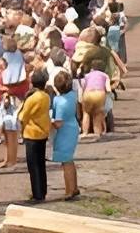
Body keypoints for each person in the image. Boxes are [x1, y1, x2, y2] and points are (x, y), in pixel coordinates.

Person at [18, 70, 51, 203]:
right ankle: (42, 190)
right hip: (42, 132)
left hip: (31, 133)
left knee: (33, 165)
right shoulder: (46, 96)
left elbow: (22, 116)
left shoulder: (32, 98)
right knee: (41, 164)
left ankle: (37, 193)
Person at [50, 70, 80, 200]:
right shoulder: (73, 95)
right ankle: (74, 187)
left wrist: (49, 122)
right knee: (69, 160)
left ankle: (69, 190)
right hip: (73, 127)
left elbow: (58, 123)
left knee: (66, 162)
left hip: (64, 132)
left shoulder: (59, 101)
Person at [80, 59, 109, 138]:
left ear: (92, 68)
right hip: (100, 94)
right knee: (97, 114)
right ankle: (97, 133)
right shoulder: (105, 75)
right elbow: (108, 88)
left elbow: (83, 85)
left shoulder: (87, 75)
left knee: (86, 113)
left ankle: (85, 132)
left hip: (88, 93)